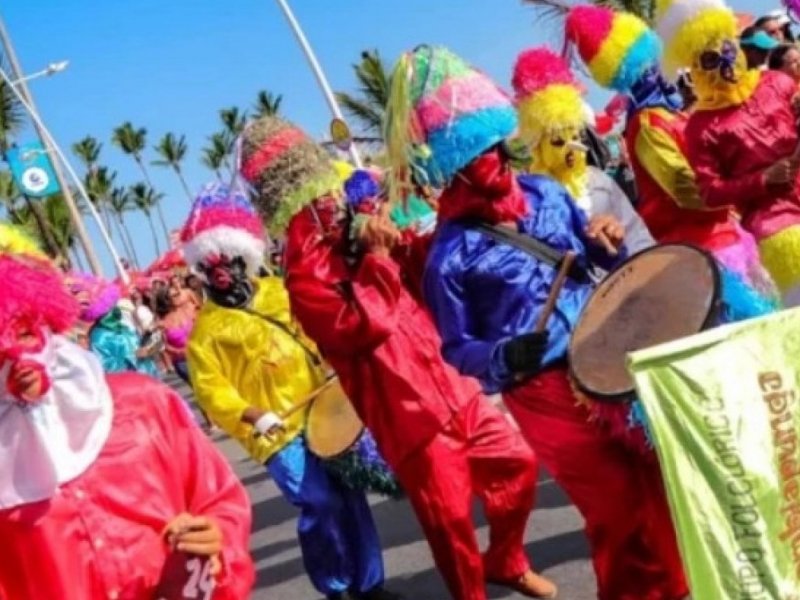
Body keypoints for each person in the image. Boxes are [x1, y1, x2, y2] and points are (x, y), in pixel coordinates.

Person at [383, 44, 688, 600]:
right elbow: (458, 348)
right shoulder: (449, 255)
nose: (499, 159)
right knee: (616, 510)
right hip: (543, 391)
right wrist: (503, 357)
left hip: (607, 353)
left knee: (661, 487)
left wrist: (606, 244)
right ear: (455, 171)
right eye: (481, 155)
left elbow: (592, 259)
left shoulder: (547, 192)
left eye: (498, 146)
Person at [240, 112, 556, 600]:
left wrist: (423, 228)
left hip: (452, 385)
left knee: (516, 462)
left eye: (328, 195)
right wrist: (378, 259)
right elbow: (363, 326)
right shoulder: (305, 275)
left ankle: (507, 560)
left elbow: (423, 268)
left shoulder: (358, 223)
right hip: (409, 415)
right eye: (317, 202)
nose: (330, 205)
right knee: (450, 525)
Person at [0, 235, 254, 600]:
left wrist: (215, 541)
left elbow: (220, 501)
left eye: (23, 332)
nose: (13, 356)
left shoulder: (144, 403)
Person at [183, 183, 398, 600]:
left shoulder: (280, 294)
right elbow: (212, 391)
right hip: (276, 430)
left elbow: (320, 329)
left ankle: (371, 586)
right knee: (317, 502)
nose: (219, 271)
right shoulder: (204, 335)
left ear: (241, 258)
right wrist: (252, 415)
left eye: (225, 261)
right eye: (209, 267)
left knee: (350, 497)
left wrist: (338, 366)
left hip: (324, 410)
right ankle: (335, 588)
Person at [565, 3, 774, 297]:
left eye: (655, 63)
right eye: (647, 68)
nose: (658, 71)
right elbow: (684, 187)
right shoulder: (647, 125)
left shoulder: (674, 114)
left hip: (726, 234)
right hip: (701, 251)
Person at [656, 0, 800, 305]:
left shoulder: (778, 82)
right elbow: (710, 192)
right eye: (710, 58)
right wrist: (762, 180)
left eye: (727, 50)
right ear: (695, 67)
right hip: (777, 223)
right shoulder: (700, 126)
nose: (724, 63)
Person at [512, 46, 654, 254]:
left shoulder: (599, 182)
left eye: (576, 136)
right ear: (538, 146)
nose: (572, 148)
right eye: (558, 141)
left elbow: (638, 237)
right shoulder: (527, 200)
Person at [68, 273, 160, 376]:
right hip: (136, 386)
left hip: (153, 378)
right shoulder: (98, 336)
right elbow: (107, 367)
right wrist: (134, 356)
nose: (116, 306)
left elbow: (139, 346)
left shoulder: (123, 326)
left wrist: (147, 342)